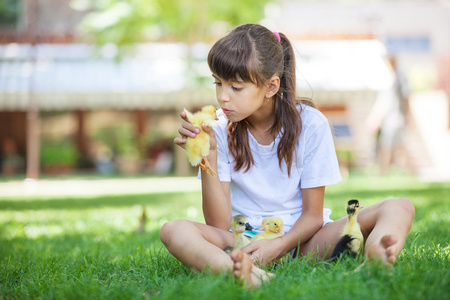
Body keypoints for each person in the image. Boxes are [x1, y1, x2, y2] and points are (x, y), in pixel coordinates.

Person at [160, 24, 415, 287]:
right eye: (218, 83)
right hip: (242, 238)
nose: (223, 97)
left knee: (399, 206)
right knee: (173, 229)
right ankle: (245, 273)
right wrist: (208, 157)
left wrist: (279, 246)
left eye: (236, 87)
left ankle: (378, 252)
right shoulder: (218, 131)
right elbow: (218, 223)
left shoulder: (311, 125)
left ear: (270, 86)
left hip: (302, 240)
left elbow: (313, 216)